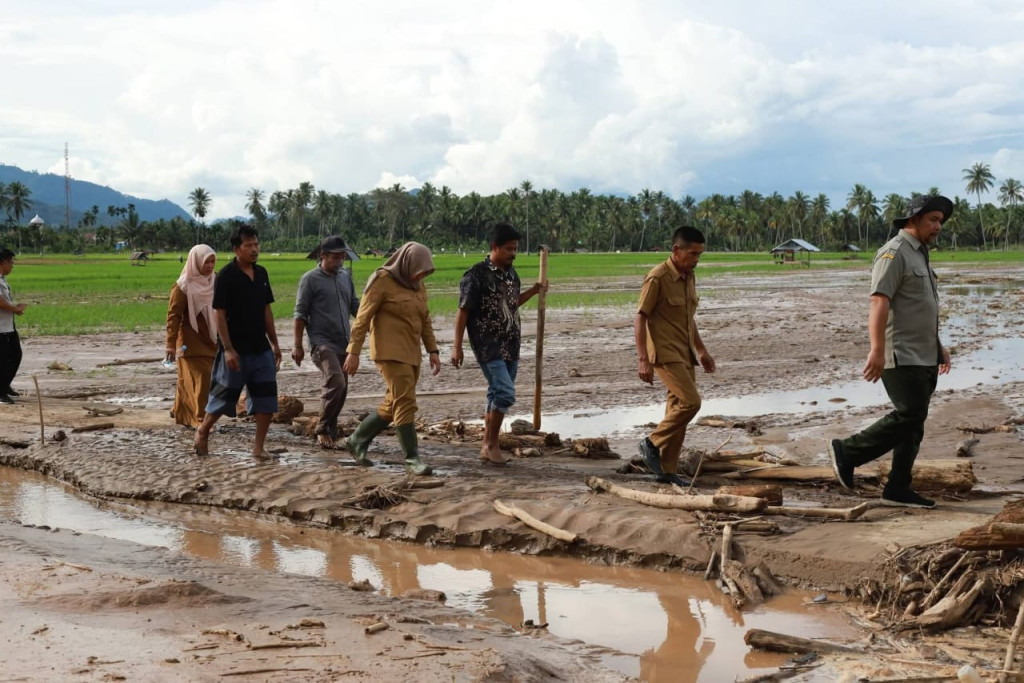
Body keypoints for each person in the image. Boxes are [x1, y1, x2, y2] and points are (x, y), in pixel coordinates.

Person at [828, 195, 954, 509]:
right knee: (910, 413)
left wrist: (939, 348)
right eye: (933, 219)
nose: (938, 226)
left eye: (940, 220)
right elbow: (879, 301)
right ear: (914, 219)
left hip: (924, 353)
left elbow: (922, 308)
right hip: (901, 354)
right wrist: (877, 350)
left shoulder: (920, 254)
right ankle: (848, 451)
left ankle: (898, 486)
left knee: (915, 423)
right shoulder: (893, 253)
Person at [342, 242, 441, 475]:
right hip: (388, 352)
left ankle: (356, 440)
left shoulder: (417, 285)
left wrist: (433, 350)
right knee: (406, 401)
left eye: (426, 272)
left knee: (394, 402)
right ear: (408, 263)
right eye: (420, 270)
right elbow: (363, 318)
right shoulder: (382, 280)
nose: (422, 276)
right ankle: (412, 460)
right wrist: (353, 351)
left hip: (411, 352)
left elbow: (425, 319)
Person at [450, 223, 545, 464]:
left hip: (511, 343)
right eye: (509, 249)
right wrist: (457, 346)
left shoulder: (512, 275)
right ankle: (492, 443)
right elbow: (463, 312)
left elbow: (511, 304)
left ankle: (487, 445)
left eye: (515, 249)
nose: (513, 254)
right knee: (505, 392)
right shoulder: (476, 275)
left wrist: (534, 291)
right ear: (494, 247)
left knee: (495, 393)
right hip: (487, 344)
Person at [635, 226, 716, 486]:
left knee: (677, 409)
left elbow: (688, 319)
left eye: (699, 255)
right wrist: (643, 359)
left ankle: (666, 471)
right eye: (692, 254)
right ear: (676, 250)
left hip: (684, 353)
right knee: (692, 403)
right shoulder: (657, 277)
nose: (696, 260)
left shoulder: (689, 276)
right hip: (663, 353)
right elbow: (640, 317)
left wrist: (701, 350)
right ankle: (651, 442)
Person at [193, 225, 282, 459]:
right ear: (236, 249)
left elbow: (266, 310)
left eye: (256, 244)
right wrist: (229, 349)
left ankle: (258, 448)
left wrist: (275, 343)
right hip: (235, 350)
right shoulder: (226, 276)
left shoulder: (261, 273)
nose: (254, 249)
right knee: (223, 397)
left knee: (266, 398)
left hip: (260, 348)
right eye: (248, 245)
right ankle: (203, 431)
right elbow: (219, 315)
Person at [292, 235, 360, 449]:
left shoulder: (345, 277)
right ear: (323, 256)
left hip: (344, 342)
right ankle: (322, 429)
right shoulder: (310, 279)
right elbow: (300, 314)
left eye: (342, 256)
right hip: (321, 343)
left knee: (342, 390)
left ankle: (331, 429)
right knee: (335, 381)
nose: (340, 261)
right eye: (336, 257)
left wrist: (369, 319)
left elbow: (354, 305)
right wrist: (297, 345)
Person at [165, 244, 218, 427]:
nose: (210, 266)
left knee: (187, 378)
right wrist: (170, 344)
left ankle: (180, 412)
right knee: (203, 376)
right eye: (206, 262)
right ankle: (201, 419)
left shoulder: (215, 282)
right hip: (190, 342)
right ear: (195, 262)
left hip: (211, 339)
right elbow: (173, 316)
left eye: (212, 261)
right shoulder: (182, 287)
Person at [0, 248, 28, 405]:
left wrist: (15, 307)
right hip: (0, 330)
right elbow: (0, 302)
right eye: (11, 262)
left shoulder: (2, 279)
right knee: (4, 360)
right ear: (3, 262)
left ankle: (4, 386)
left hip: (8, 327)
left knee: (15, 356)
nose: (12, 266)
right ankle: (0, 392)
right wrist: (16, 309)